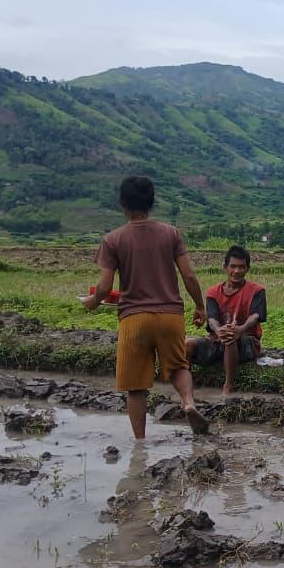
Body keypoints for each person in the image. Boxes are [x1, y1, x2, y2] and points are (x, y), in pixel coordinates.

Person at [84, 175, 209, 439]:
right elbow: (189, 276)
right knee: (178, 367)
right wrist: (200, 306)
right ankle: (188, 402)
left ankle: (140, 444)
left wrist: (92, 302)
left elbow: (105, 288)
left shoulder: (113, 239)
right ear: (152, 202)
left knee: (136, 387)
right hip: (170, 315)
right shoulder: (171, 233)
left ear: (122, 203)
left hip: (134, 318)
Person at [185, 245, 267, 396]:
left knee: (231, 336)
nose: (236, 271)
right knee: (186, 344)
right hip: (218, 339)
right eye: (233, 266)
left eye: (241, 267)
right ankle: (186, 386)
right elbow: (212, 319)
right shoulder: (213, 292)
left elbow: (255, 316)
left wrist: (240, 330)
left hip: (247, 341)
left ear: (247, 268)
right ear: (225, 267)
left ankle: (228, 386)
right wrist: (218, 330)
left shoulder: (257, 290)